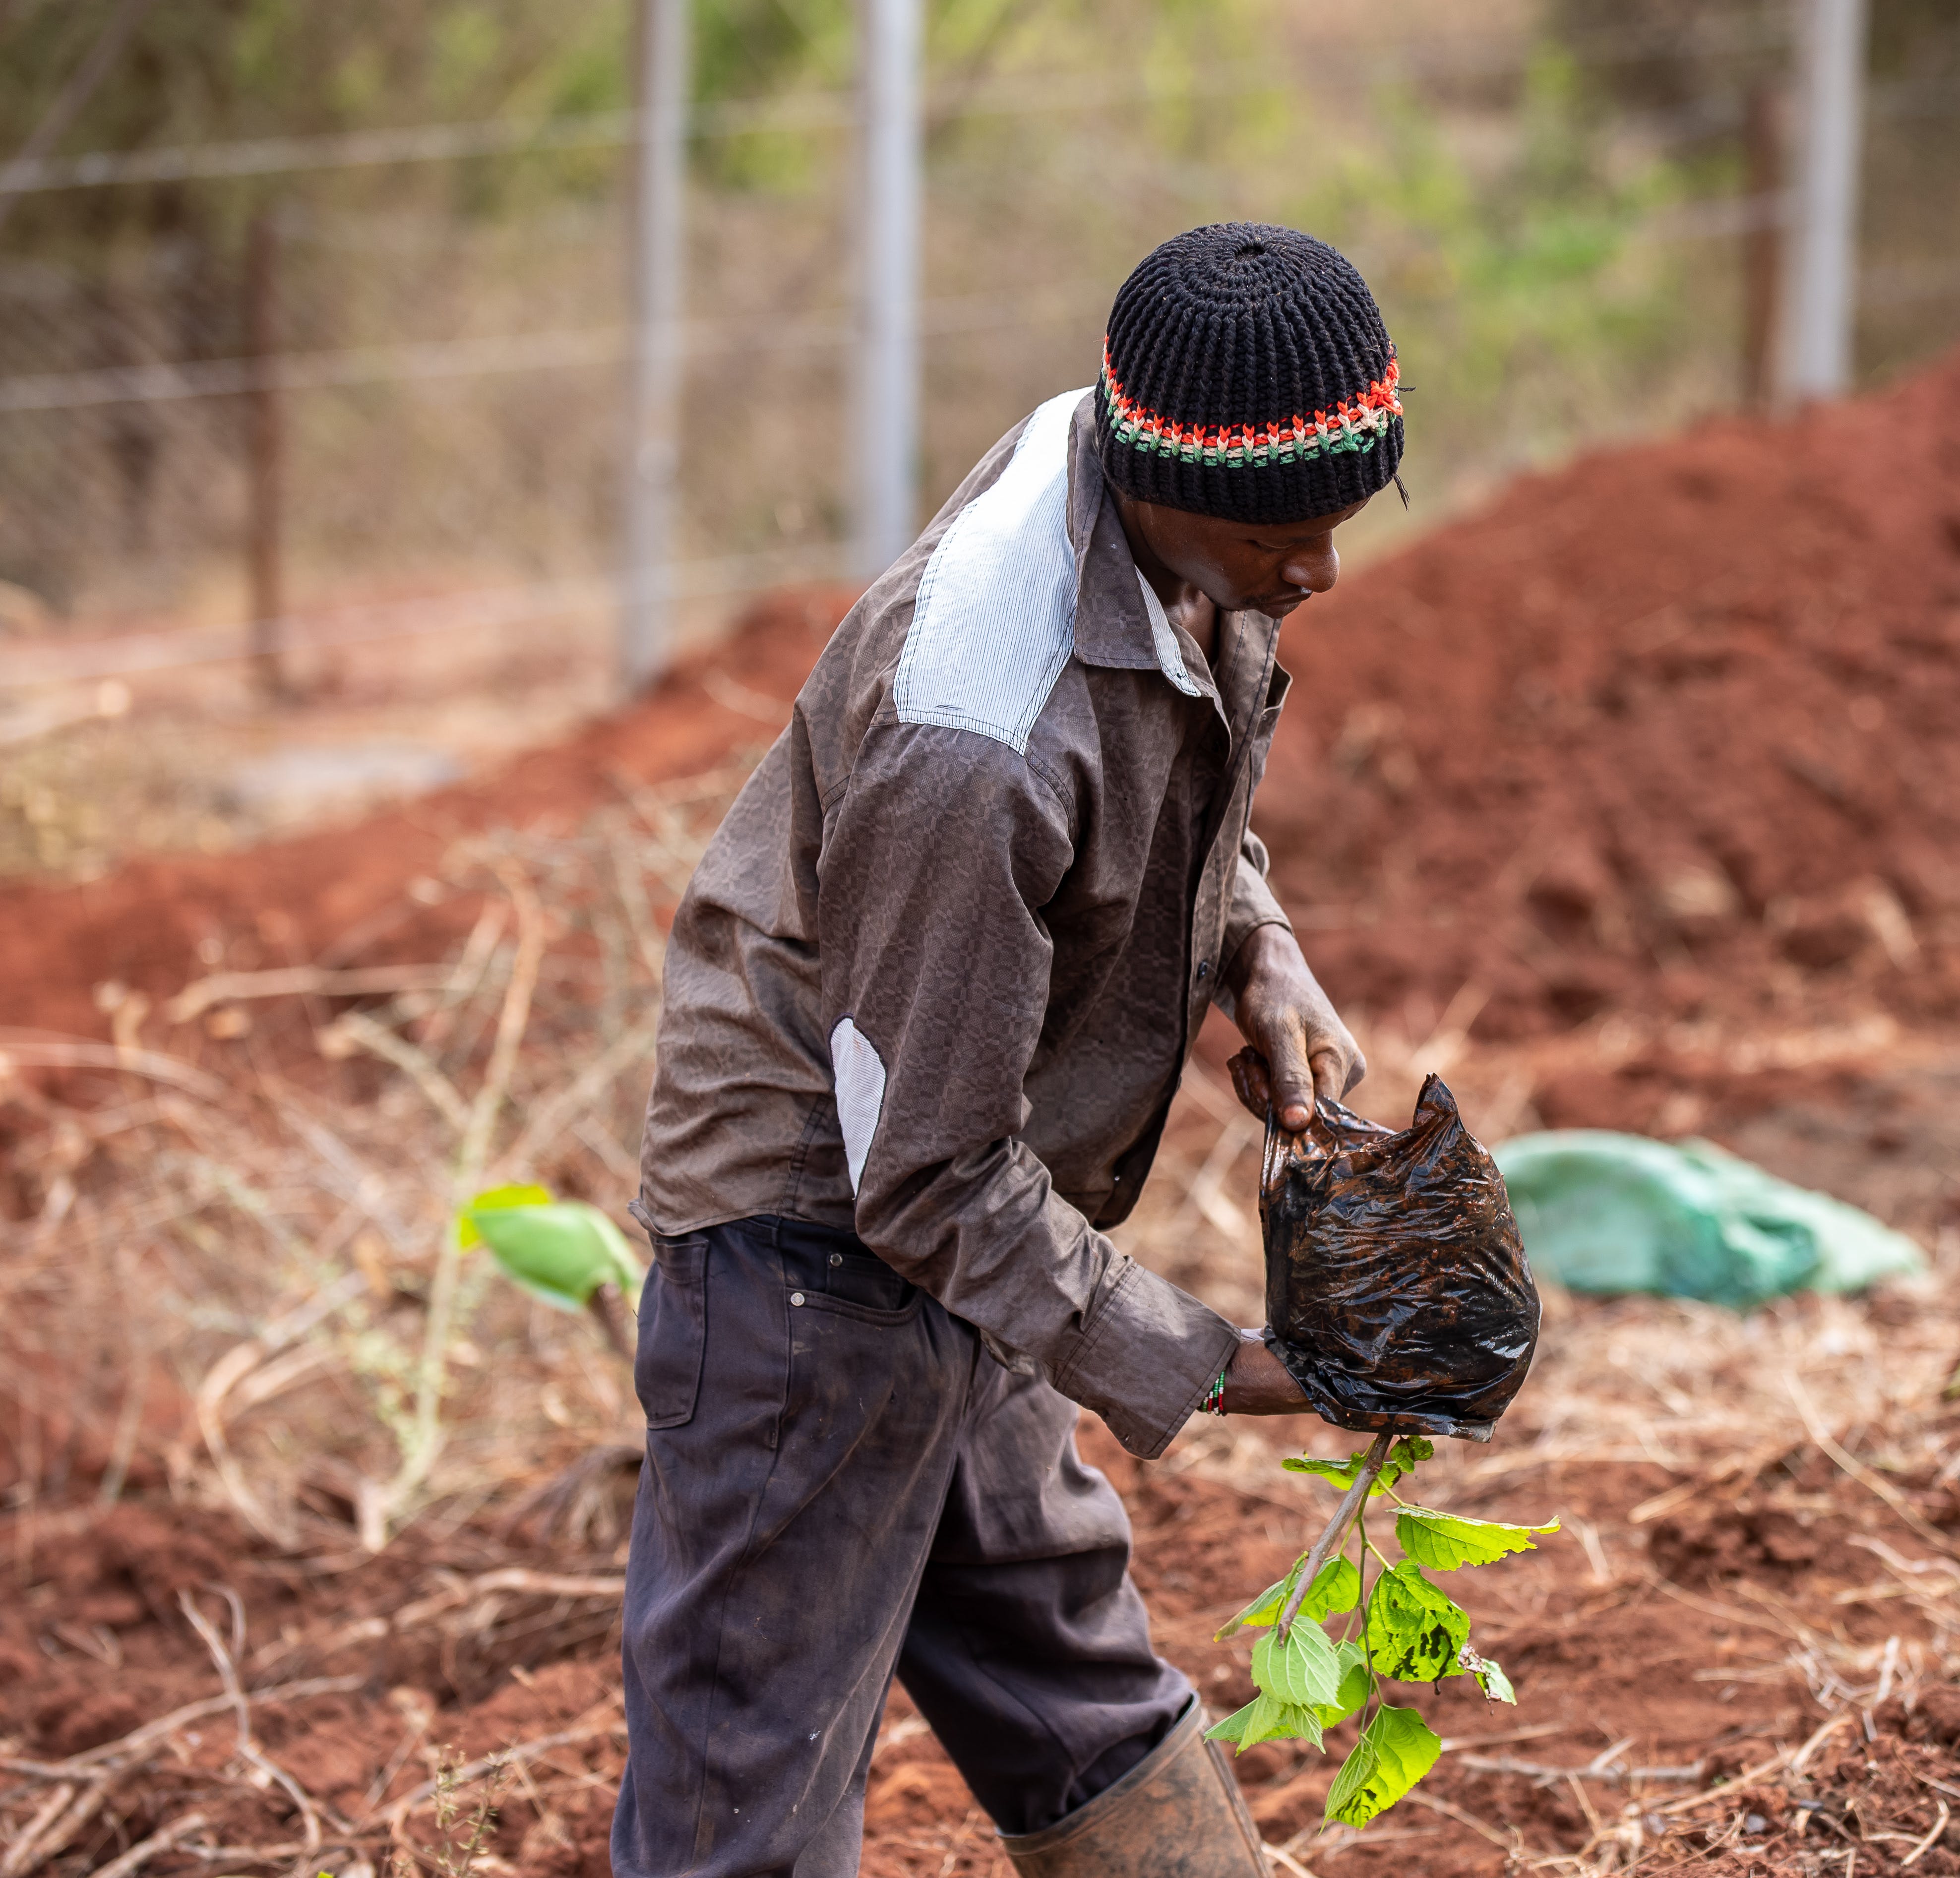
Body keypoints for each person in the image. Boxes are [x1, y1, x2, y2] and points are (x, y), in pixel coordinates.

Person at [613, 222, 1402, 1878]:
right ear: (1160, 481)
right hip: (811, 1252)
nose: (1319, 570)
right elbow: (927, 1176)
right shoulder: (973, 736)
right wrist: (1222, 1364)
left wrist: (1260, 952)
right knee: (746, 1788)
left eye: (1342, 515)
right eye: (1287, 533)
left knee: (1065, 1673)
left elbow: (1161, 774)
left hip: (956, 1197)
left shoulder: (1150, 488)